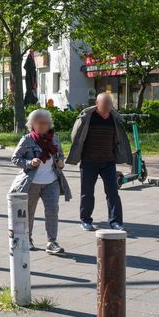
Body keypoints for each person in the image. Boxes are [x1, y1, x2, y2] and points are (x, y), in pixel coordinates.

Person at [65, 92, 132, 231]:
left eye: (110, 103)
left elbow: (119, 139)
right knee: (87, 193)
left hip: (108, 161)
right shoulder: (87, 117)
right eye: (105, 103)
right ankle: (86, 220)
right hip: (89, 161)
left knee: (113, 192)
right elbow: (75, 136)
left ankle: (116, 222)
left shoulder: (114, 118)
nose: (108, 106)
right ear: (97, 103)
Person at [10, 109, 71, 254]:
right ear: (32, 124)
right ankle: (28, 238)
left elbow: (60, 156)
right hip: (31, 182)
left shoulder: (54, 139)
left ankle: (52, 242)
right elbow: (15, 159)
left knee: (52, 211)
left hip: (52, 181)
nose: (45, 126)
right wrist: (30, 162)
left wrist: (61, 162)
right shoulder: (27, 139)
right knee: (29, 212)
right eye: (41, 123)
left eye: (47, 123)